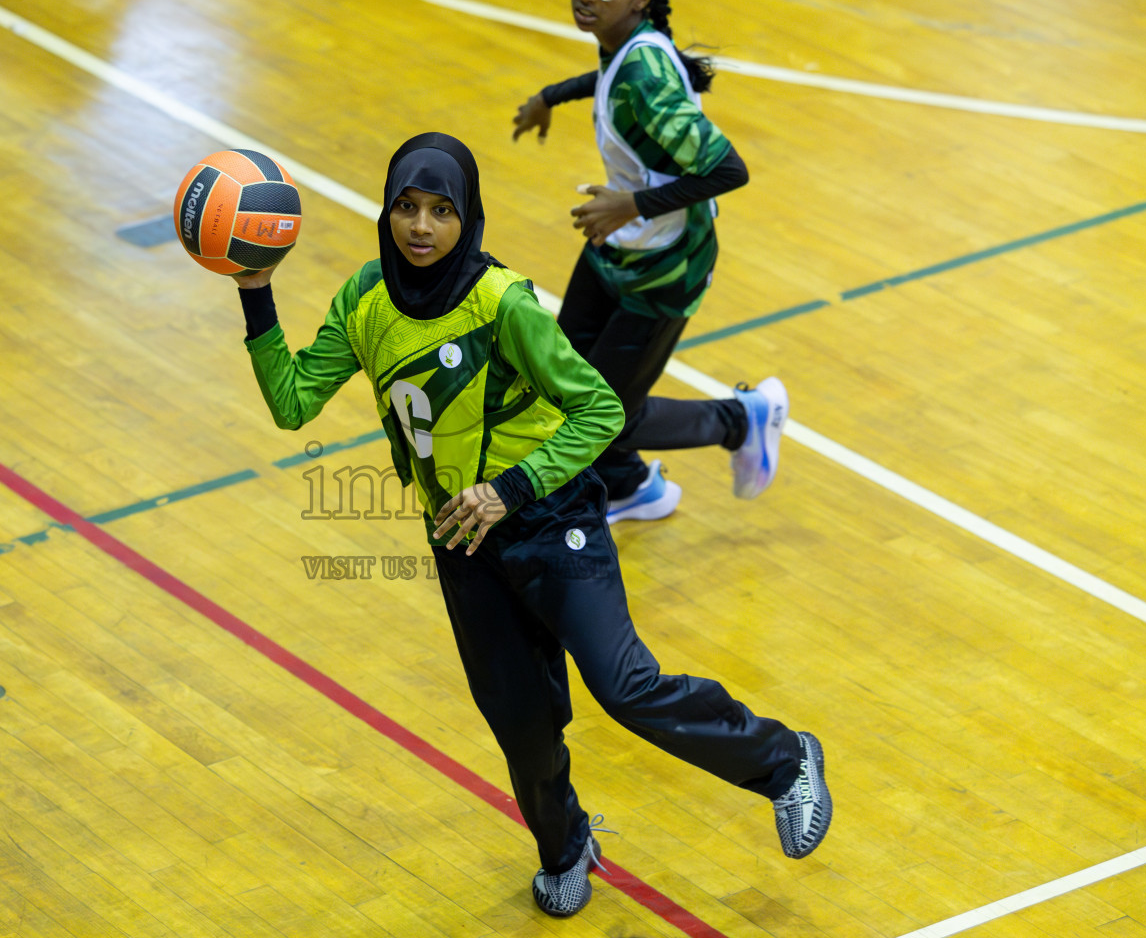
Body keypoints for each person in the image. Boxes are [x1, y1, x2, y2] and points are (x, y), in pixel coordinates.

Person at [231, 132, 831, 917]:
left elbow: (601, 410)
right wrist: (255, 288)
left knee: (626, 688)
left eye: (441, 211)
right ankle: (566, 845)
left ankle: (784, 760)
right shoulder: (364, 300)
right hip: (461, 542)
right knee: (523, 727)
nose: (420, 226)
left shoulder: (501, 303)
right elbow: (291, 404)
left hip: (552, 520)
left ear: (468, 216)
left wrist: (510, 487)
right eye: (406, 207)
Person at [512, 0, 786, 525]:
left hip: (666, 263)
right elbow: (607, 80)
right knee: (567, 382)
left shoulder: (647, 75)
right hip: (622, 244)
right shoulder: (624, 45)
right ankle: (632, 486)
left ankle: (743, 420)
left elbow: (729, 170)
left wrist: (628, 205)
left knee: (606, 413)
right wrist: (550, 97)